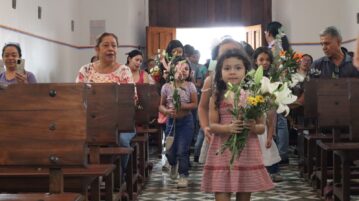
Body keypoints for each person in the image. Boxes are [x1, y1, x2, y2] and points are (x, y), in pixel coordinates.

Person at [201, 49, 273, 201]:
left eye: (238, 68)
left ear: (246, 71)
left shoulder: (254, 95)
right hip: (222, 149)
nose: (232, 72)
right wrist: (228, 128)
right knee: (221, 192)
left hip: (247, 150)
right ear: (220, 73)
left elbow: (261, 127)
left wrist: (253, 126)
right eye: (227, 68)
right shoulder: (216, 96)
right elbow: (212, 126)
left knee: (244, 194)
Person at [75, 32, 134, 172]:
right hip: (91, 122)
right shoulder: (86, 70)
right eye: (106, 45)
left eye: (114, 45)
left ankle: (119, 178)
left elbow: (131, 98)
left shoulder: (124, 71)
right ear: (97, 49)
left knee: (123, 141)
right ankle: (88, 176)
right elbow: (78, 95)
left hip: (119, 123)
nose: (111, 49)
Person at [197, 38, 246, 164]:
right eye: (224, 54)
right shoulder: (210, 80)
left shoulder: (247, 80)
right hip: (218, 134)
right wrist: (205, 127)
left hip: (244, 136)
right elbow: (202, 107)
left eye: (234, 51)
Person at [159, 56, 197, 188]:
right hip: (171, 122)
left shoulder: (190, 86)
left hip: (186, 122)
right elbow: (161, 106)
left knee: (183, 150)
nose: (183, 71)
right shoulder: (166, 87)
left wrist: (182, 106)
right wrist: (167, 111)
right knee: (170, 150)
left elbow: (194, 104)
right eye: (180, 68)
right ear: (172, 70)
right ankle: (173, 163)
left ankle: (183, 175)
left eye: (186, 69)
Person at [252, 47, 282, 182]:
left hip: (268, 109)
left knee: (268, 142)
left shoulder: (272, 78)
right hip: (255, 113)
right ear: (255, 61)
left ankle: (273, 170)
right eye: (261, 60)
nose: (265, 62)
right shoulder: (251, 77)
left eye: (268, 60)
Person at [264, 21, 291, 164]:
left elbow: (274, 70)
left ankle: (281, 153)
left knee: (279, 120)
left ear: (269, 32)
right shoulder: (283, 46)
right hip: (282, 84)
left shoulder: (274, 47)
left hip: (276, 85)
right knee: (281, 119)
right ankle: (282, 152)